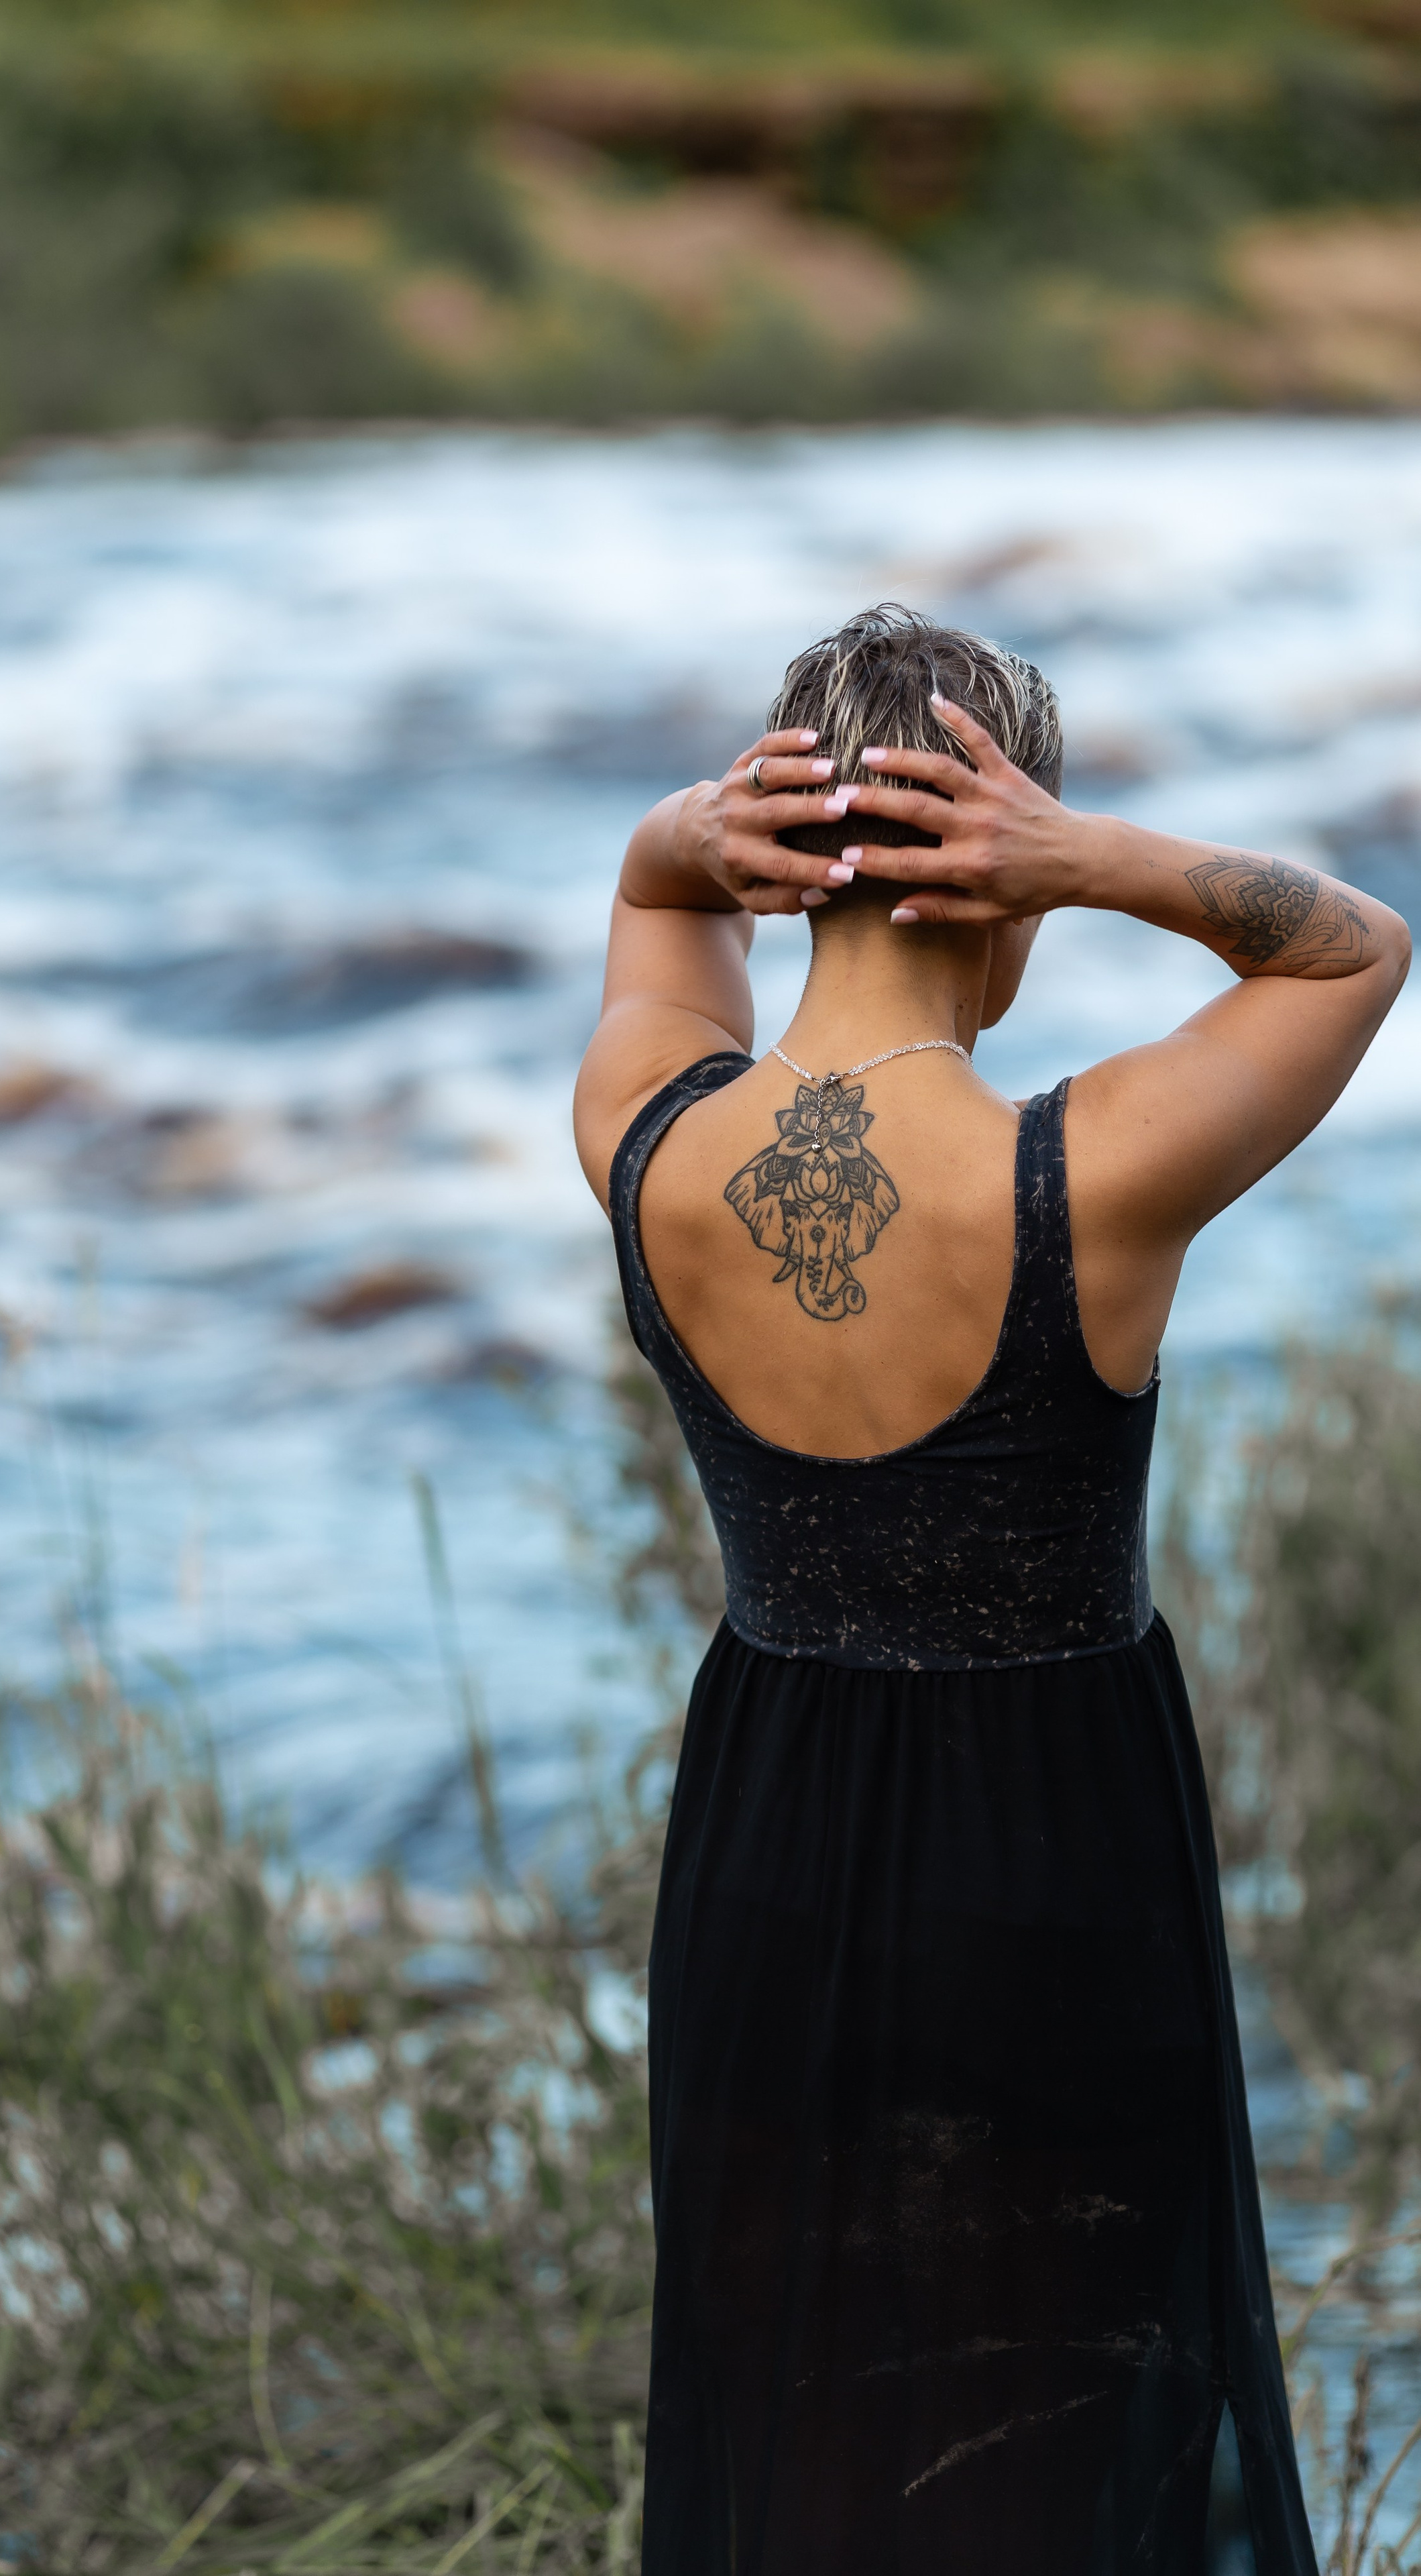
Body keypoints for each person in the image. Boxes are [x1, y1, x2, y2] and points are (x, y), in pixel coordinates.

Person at [572, 604, 1408, 2575]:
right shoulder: (1091, 1170)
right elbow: (1353, 942)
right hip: (1056, 1846)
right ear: (1008, 864)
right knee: (1058, 2383)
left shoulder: (652, 1142)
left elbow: (653, 931)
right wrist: (1107, 861)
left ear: (783, 872)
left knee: (807, 2383)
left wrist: (668, 852)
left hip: (767, 1837)